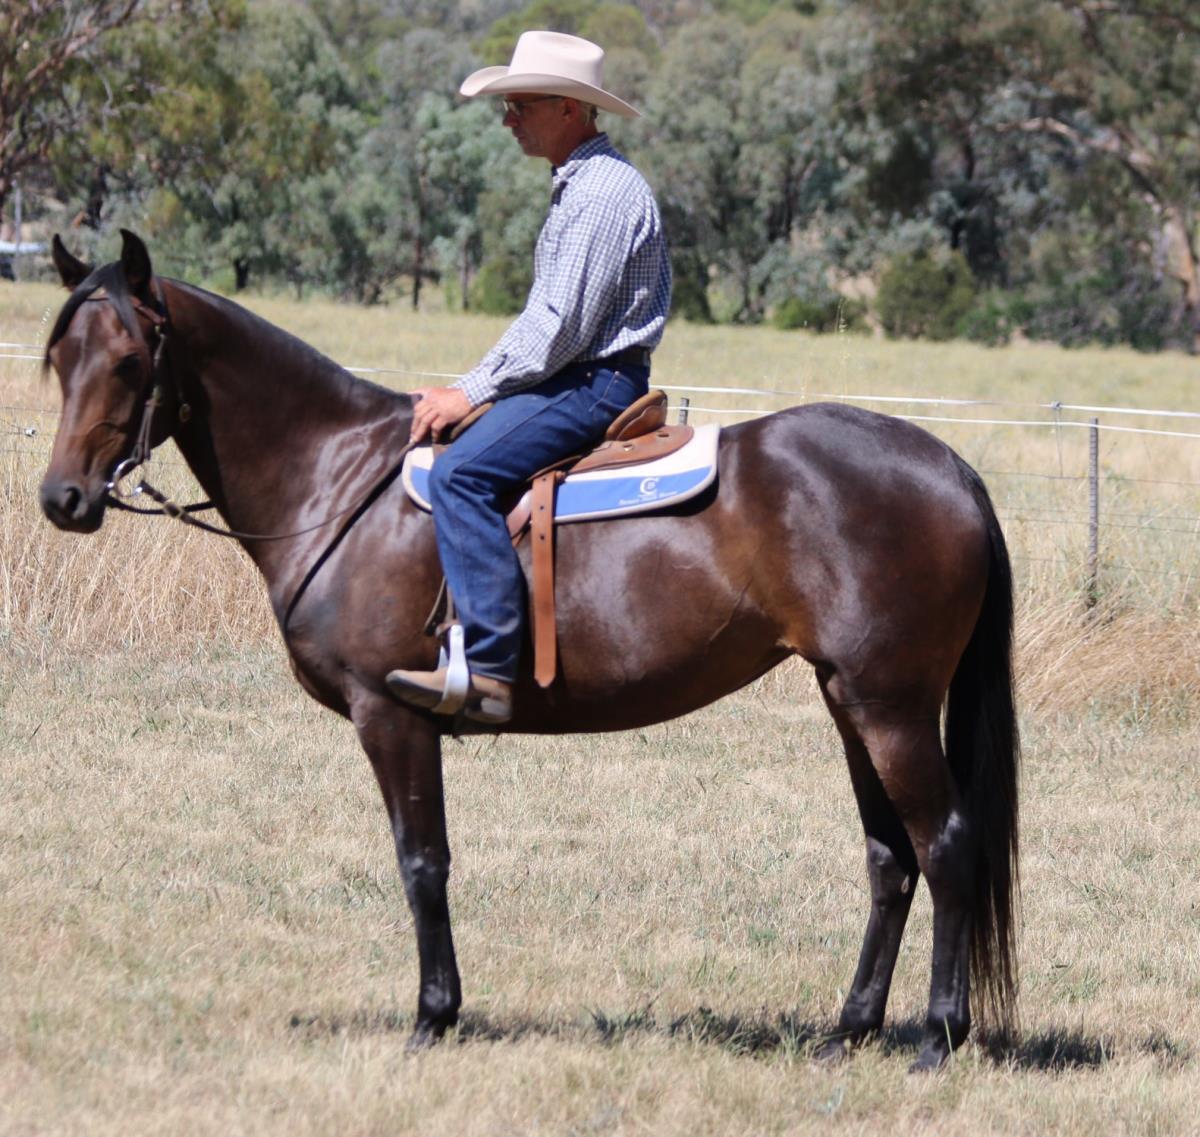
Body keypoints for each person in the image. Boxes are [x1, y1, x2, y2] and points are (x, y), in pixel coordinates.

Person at [386, 30, 672, 724]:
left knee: (460, 475)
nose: (507, 120)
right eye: (506, 106)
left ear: (569, 109)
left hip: (592, 384)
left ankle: (487, 668)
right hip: (579, 375)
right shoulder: (584, 182)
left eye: (520, 105)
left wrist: (469, 390)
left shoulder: (602, 193)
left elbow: (557, 329)